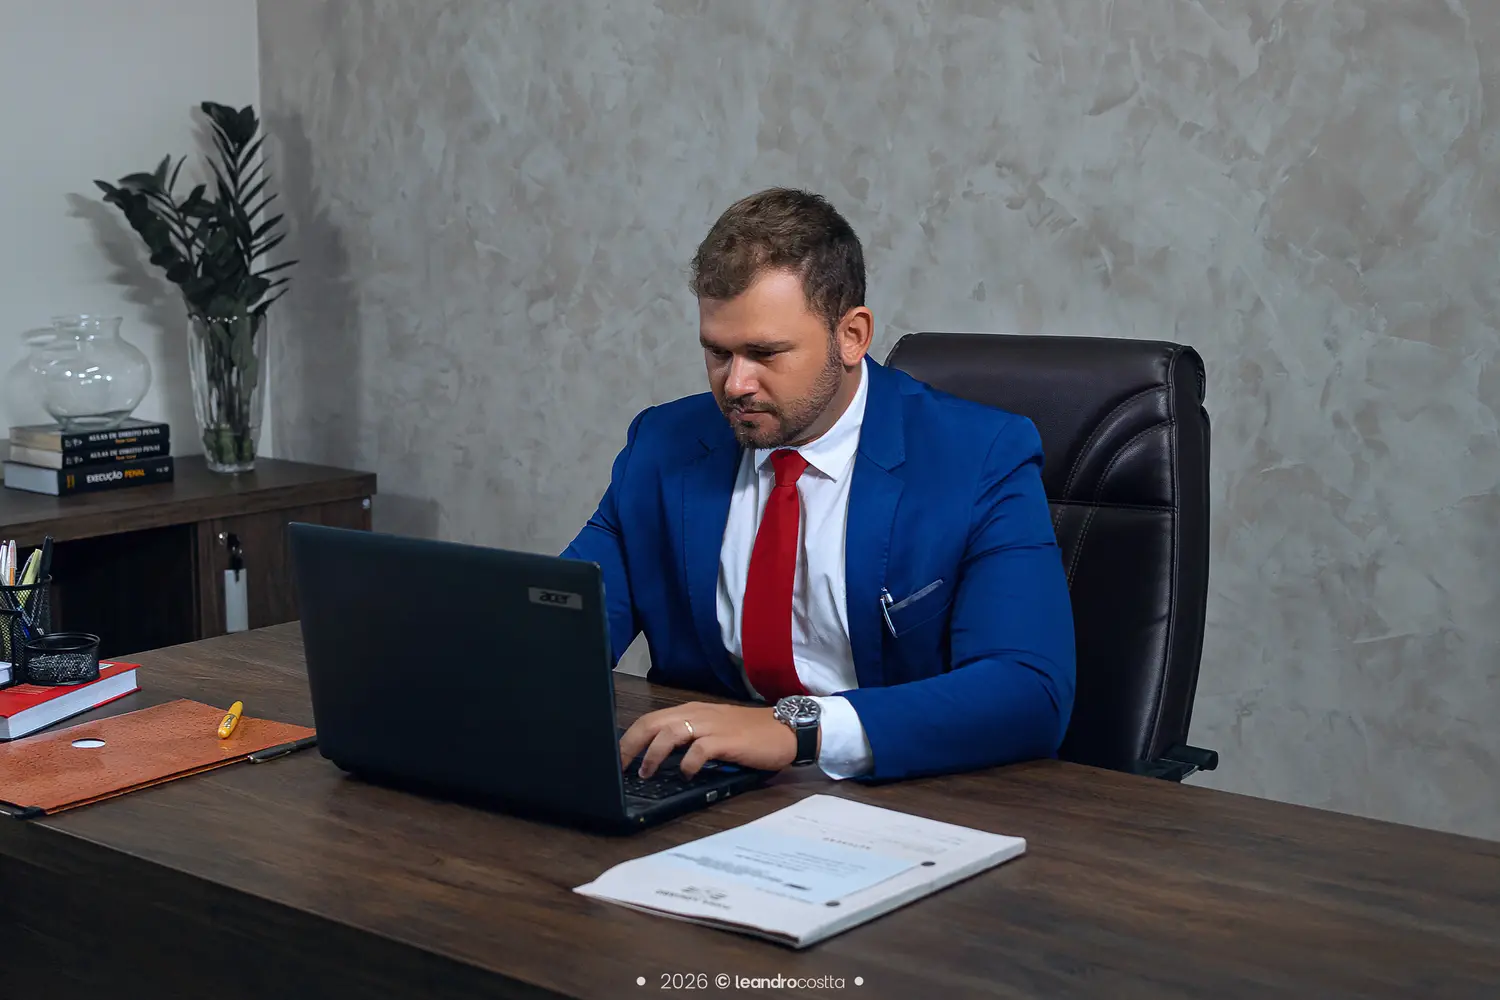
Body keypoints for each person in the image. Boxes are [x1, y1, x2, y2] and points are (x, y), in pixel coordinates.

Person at [562, 188, 1075, 784]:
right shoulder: (662, 446)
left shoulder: (980, 456)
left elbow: (1029, 692)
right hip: (707, 788)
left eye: (764, 353)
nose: (736, 384)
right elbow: (562, 636)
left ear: (851, 336)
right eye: (718, 353)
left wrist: (800, 730)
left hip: (906, 794)